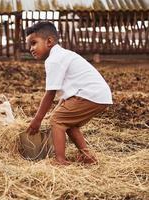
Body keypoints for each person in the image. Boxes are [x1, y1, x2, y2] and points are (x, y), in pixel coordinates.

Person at [25, 21, 113, 165]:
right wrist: (56, 110)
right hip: (98, 95)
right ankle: (88, 157)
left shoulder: (54, 60)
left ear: (49, 41)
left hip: (89, 94)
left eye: (34, 43)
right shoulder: (62, 55)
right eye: (30, 45)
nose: (31, 49)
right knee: (69, 124)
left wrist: (37, 120)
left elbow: (50, 94)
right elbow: (65, 95)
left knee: (57, 121)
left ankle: (60, 160)